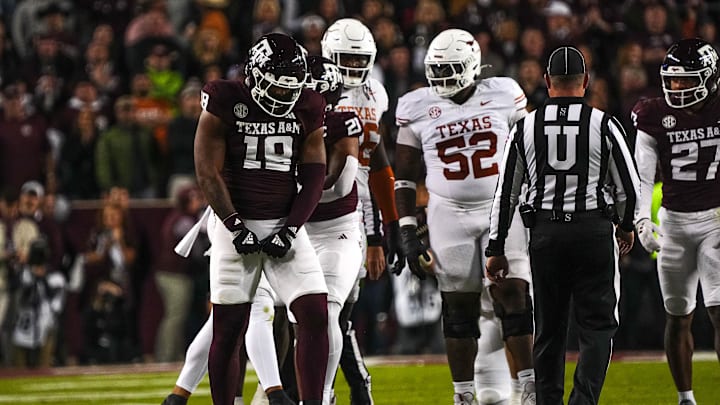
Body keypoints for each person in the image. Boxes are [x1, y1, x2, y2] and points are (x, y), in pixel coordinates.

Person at [486, 46, 640, 405]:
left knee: (549, 330)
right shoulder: (603, 123)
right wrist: (626, 225)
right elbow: (629, 188)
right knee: (598, 326)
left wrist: (496, 248)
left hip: (546, 235)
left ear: (547, 82)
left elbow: (505, 193)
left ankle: (549, 401)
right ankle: (582, 401)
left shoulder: (525, 126)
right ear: (585, 82)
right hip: (592, 231)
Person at [393, 29, 535, 405]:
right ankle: (464, 395)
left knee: (514, 297)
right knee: (458, 308)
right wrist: (407, 230)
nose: (441, 78)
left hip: (502, 208)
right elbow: (404, 176)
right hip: (447, 212)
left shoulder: (504, 93)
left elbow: (532, 151)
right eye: (435, 69)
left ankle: (528, 389)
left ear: (472, 64)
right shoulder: (415, 105)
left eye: (450, 68)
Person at [194, 32, 328, 405]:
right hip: (233, 221)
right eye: (278, 88)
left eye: (291, 90)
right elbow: (207, 171)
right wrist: (235, 225)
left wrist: (292, 228)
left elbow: (315, 173)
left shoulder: (309, 104)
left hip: (283, 219)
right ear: (253, 75)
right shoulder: (224, 99)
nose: (286, 97)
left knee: (315, 313)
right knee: (230, 326)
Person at [632, 37, 720, 405]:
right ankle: (686, 398)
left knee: (719, 309)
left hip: (716, 218)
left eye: (686, 80)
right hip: (674, 221)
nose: (677, 87)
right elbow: (642, 173)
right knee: (677, 314)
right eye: (673, 79)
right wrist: (641, 218)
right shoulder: (653, 113)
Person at [321, 18, 403, 404]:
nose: (353, 68)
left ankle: (346, 388)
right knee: (305, 315)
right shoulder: (314, 90)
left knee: (336, 316)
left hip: (354, 214)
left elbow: (380, 165)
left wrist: (388, 229)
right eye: (346, 59)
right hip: (312, 211)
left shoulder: (376, 94)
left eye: (360, 59)